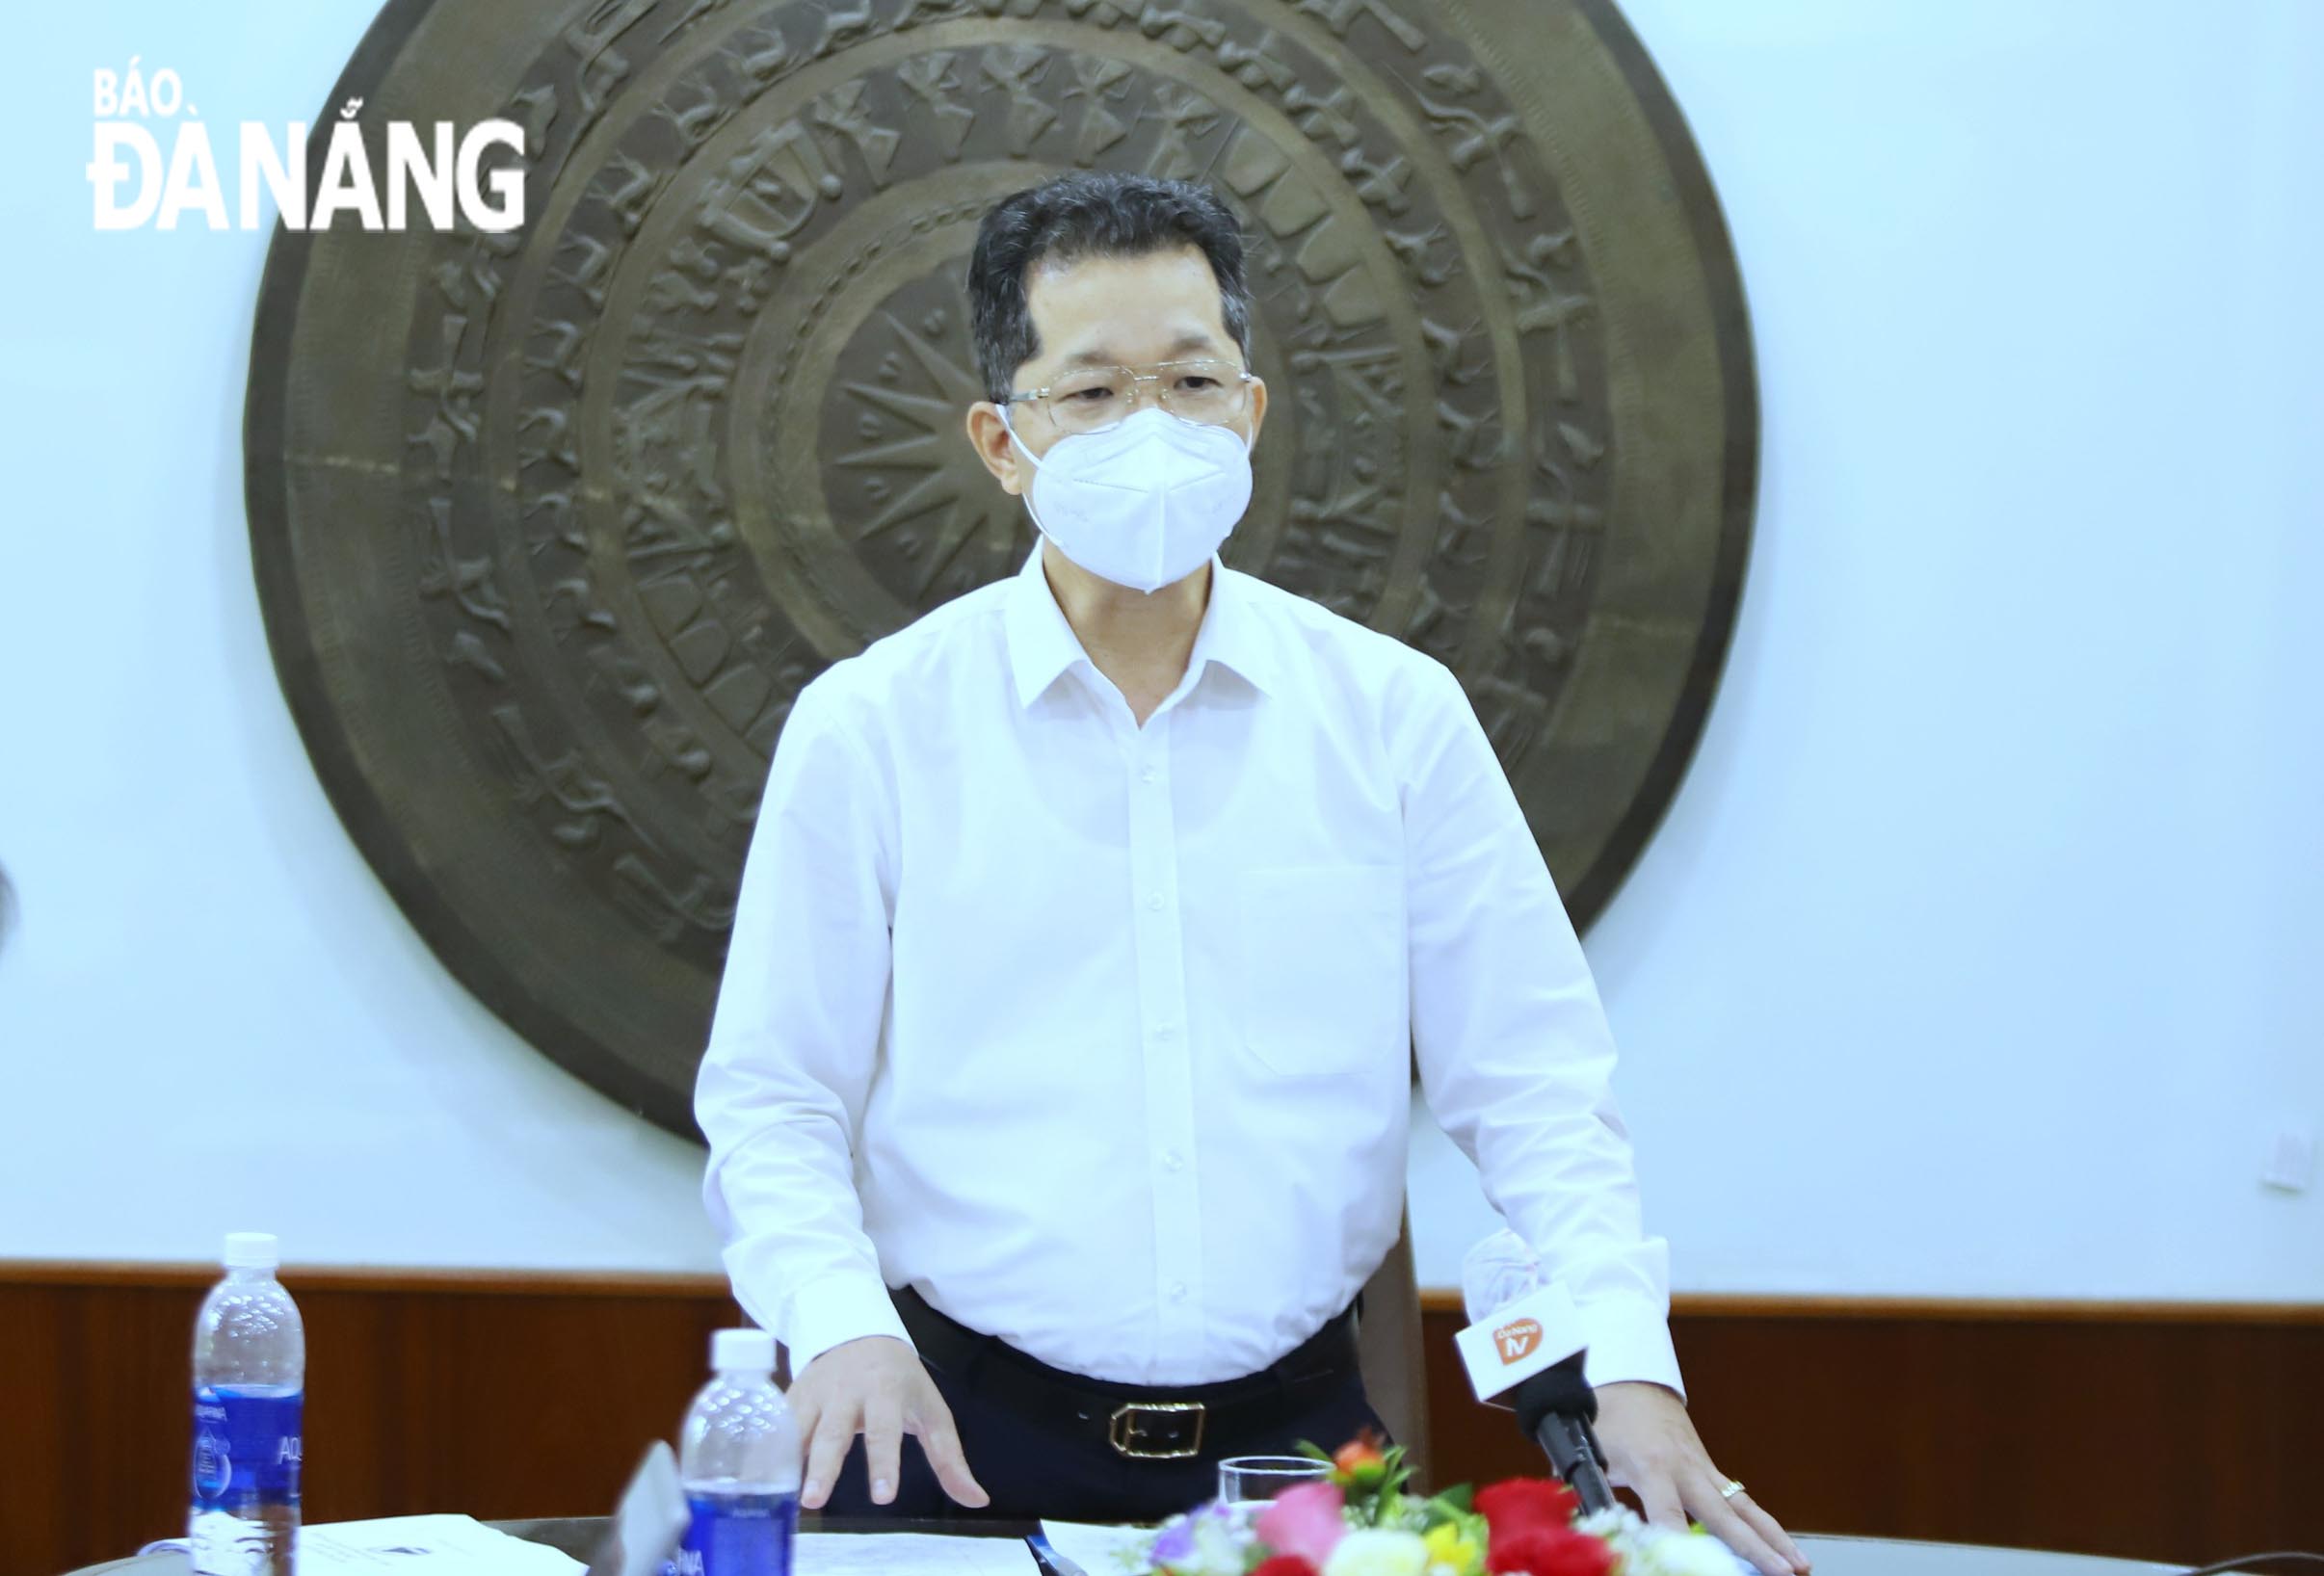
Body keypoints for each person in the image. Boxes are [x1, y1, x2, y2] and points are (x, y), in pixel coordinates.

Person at [697, 171, 1808, 1574]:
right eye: (1092, 394)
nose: (1151, 429)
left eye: (1191, 381)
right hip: (946, 1435)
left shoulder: (1392, 715)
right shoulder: (875, 726)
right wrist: (841, 1321)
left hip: (1299, 1455)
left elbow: (1532, 1083)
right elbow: (776, 1093)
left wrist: (1628, 1365)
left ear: (1252, 411)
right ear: (1001, 439)